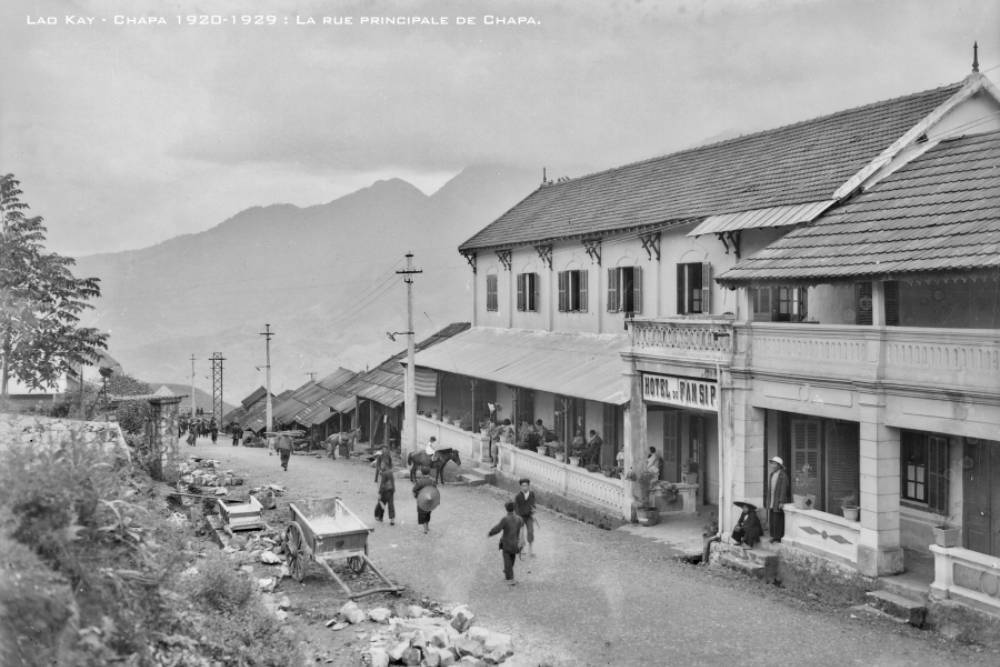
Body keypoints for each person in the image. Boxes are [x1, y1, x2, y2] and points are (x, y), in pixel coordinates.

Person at [488, 501, 525, 586]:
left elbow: (498, 528)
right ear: (514, 509)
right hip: (516, 545)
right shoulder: (519, 519)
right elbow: (522, 529)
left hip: (507, 544)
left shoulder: (505, 519)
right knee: (512, 558)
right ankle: (508, 572)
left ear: (506, 509)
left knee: (507, 559)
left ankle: (510, 578)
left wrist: (490, 533)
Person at [768, 456, 791, 543]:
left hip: (778, 501)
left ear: (778, 465)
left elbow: (783, 489)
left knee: (778, 519)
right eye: (772, 463)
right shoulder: (772, 474)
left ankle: (777, 537)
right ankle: (773, 536)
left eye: (774, 464)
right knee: (773, 519)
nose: (772, 465)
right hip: (772, 500)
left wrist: (781, 501)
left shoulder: (783, 476)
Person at [513, 478, 537, 556]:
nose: (524, 487)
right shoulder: (518, 496)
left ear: (528, 486)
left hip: (529, 516)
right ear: (520, 487)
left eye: (526, 486)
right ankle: (522, 548)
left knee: (530, 532)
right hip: (521, 517)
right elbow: (516, 508)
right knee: (521, 533)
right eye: (523, 486)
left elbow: (533, 504)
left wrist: (533, 511)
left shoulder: (532, 494)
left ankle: (531, 549)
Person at [412, 466, 438, 534]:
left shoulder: (420, 481)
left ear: (422, 473)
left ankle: (425, 529)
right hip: (430, 501)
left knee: (422, 514)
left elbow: (414, 490)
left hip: (422, 501)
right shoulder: (432, 481)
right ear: (429, 472)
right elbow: (435, 490)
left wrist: (416, 496)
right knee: (428, 513)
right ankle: (427, 526)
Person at [374, 461, 396, 526]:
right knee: (391, 505)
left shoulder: (384, 473)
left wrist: (380, 493)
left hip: (385, 491)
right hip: (391, 490)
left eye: (382, 465)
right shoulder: (390, 472)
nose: (381, 466)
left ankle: (380, 517)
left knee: (381, 503)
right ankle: (392, 520)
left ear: (385, 465)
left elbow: (382, 484)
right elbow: (392, 481)